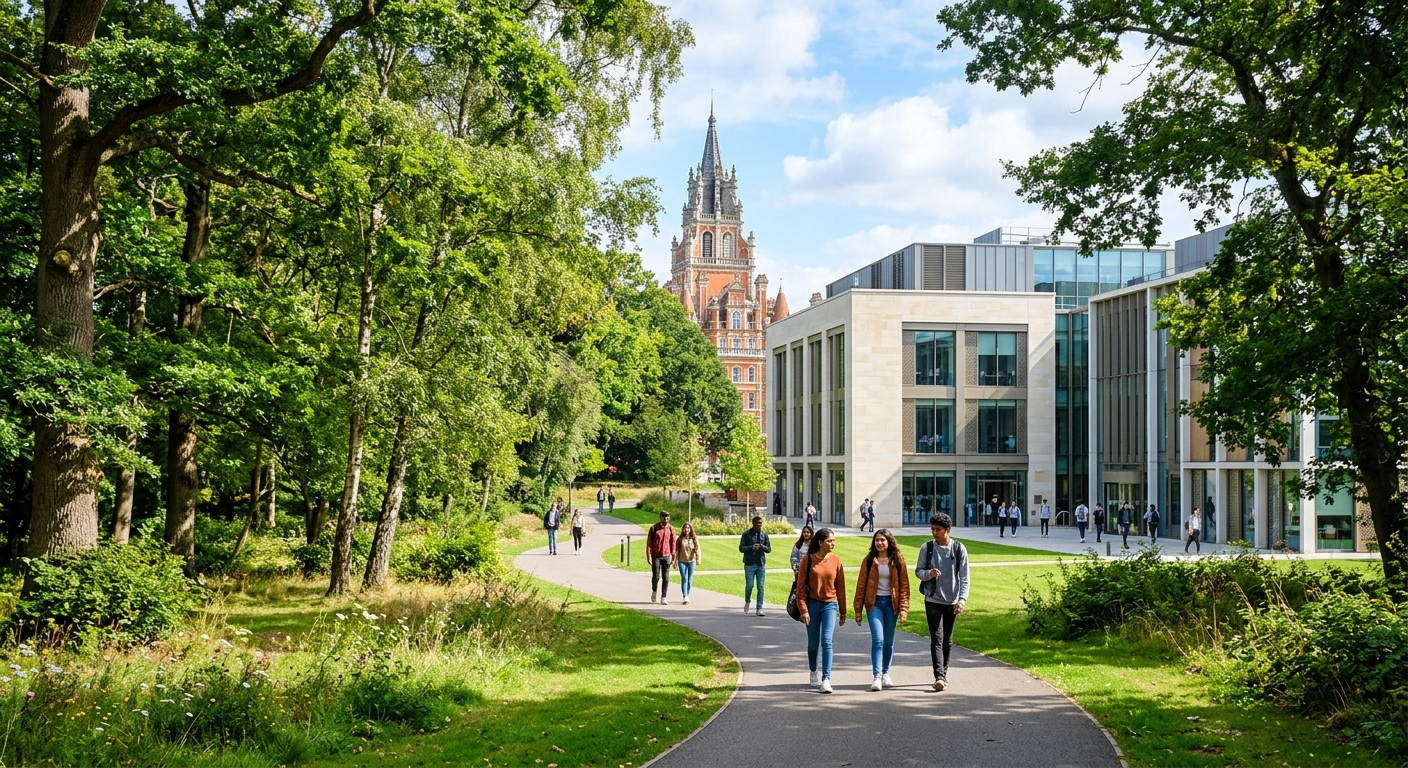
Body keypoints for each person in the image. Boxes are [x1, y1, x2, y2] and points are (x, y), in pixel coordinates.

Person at [915, 512, 968, 691]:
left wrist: (962, 600)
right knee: (936, 638)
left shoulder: (959, 549)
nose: (934, 533)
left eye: (938, 530)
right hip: (932, 599)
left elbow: (965, 578)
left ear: (948, 530)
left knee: (948, 640)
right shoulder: (927, 548)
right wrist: (928, 574)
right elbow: (918, 571)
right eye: (932, 529)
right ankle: (939, 676)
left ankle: (943, 674)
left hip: (952, 601)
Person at [853, 529, 910, 691]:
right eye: (877, 540)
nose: (879, 543)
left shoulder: (897, 560)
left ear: (889, 542)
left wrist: (904, 608)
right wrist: (858, 609)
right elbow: (861, 585)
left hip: (891, 604)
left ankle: (886, 673)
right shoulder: (870, 560)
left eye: (882, 540)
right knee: (878, 639)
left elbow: (904, 586)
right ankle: (877, 676)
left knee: (888, 641)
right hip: (874, 603)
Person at [796, 527, 846, 693]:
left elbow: (841, 587)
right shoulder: (807, 560)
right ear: (820, 542)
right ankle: (813, 671)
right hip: (812, 605)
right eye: (829, 541)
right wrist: (803, 609)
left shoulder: (836, 560)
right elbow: (800, 587)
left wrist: (843, 611)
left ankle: (826, 679)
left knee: (827, 640)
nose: (833, 544)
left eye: (834, 540)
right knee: (813, 644)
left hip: (830, 605)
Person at [739, 516, 772, 616]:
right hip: (749, 563)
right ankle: (747, 601)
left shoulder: (764, 535)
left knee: (761, 587)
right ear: (753, 523)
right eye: (757, 523)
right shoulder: (746, 534)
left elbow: (769, 549)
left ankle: (759, 608)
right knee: (750, 585)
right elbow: (741, 548)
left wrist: (762, 546)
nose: (759, 525)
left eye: (760, 523)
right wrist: (752, 547)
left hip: (760, 563)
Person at [647, 510, 677, 605]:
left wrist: (673, 556)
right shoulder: (654, 528)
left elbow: (673, 543)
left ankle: (664, 596)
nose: (665, 518)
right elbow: (649, 544)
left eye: (667, 517)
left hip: (666, 556)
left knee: (666, 577)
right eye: (664, 516)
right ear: (660, 517)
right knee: (656, 576)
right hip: (656, 556)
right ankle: (654, 590)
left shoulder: (671, 529)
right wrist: (649, 556)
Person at [676, 522, 701, 604]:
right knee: (684, 578)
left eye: (688, 528)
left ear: (690, 529)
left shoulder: (694, 539)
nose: (686, 530)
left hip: (691, 561)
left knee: (689, 579)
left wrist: (698, 559)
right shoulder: (680, 539)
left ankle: (688, 595)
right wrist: (674, 561)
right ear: (683, 529)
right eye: (685, 528)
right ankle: (685, 595)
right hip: (681, 560)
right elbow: (676, 551)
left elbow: (697, 549)